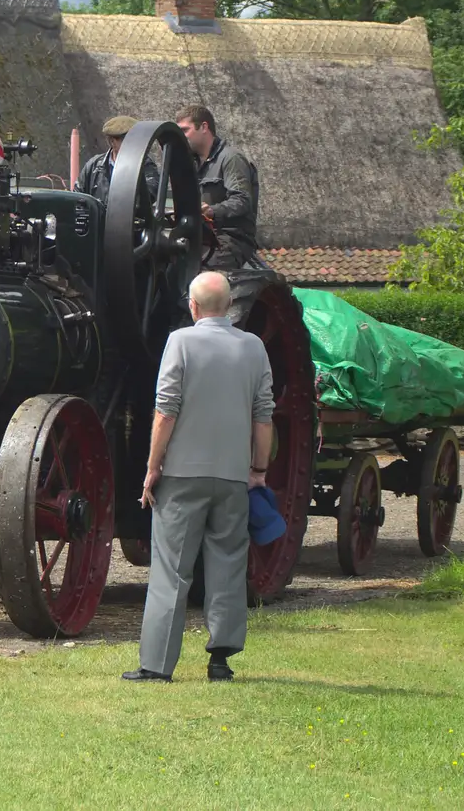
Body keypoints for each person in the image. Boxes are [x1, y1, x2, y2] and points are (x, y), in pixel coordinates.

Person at [123, 271, 273, 684]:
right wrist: (258, 470)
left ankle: (157, 665)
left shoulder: (180, 342)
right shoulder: (254, 347)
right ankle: (220, 661)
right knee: (227, 564)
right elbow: (264, 417)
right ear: (229, 306)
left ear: (193, 306)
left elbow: (165, 410)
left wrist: (153, 467)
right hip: (232, 477)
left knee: (171, 570)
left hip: (182, 474)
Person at [174, 105, 262, 271]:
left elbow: (242, 201)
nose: (182, 137)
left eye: (185, 130)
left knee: (206, 275)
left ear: (204, 127)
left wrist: (212, 211)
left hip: (230, 238)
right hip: (199, 236)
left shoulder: (231, 159)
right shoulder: (190, 164)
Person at [74, 115, 136, 204]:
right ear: (112, 142)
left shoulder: (145, 165)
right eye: (129, 140)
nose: (135, 144)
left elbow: (150, 193)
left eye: (136, 140)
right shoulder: (94, 166)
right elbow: (77, 198)